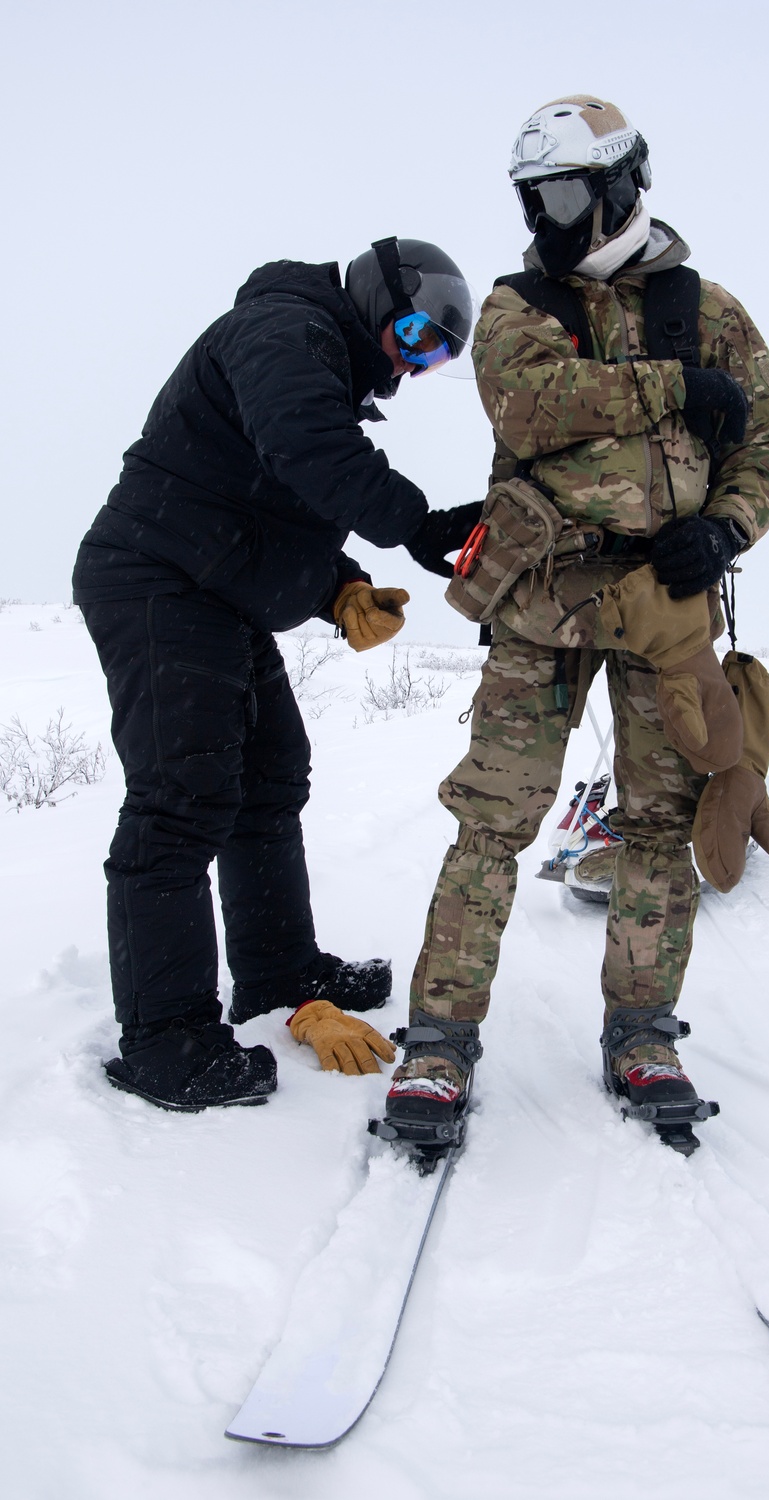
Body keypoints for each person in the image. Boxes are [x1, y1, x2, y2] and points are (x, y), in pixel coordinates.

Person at [379, 97, 769, 1147]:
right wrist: (676, 390)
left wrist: (727, 528)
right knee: (492, 820)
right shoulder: (518, 304)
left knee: (659, 824)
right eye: (533, 197)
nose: (546, 216)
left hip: (664, 607)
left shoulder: (710, 310)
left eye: (564, 193)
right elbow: (531, 405)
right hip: (539, 604)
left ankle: (642, 1034)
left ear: (619, 185)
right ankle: (438, 1042)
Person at [73, 238, 482, 1112]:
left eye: (435, 355)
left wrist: (339, 587)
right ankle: (165, 1040)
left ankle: (276, 971)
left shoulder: (314, 358)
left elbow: (270, 504)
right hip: (158, 580)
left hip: (212, 589)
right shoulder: (282, 327)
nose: (411, 368)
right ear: (375, 296)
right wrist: (415, 523)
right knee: (181, 801)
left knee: (268, 778)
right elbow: (305, 445)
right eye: (412, 336)